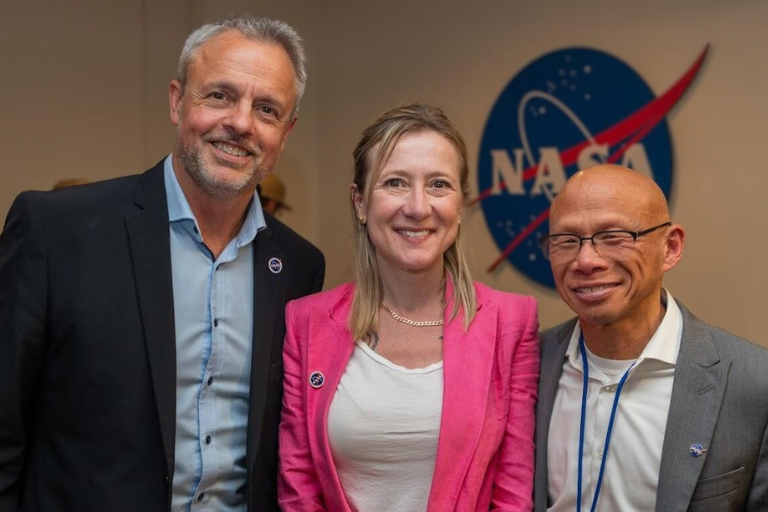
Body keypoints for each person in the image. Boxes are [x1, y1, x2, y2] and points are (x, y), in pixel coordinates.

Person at [0, 17, 324, 512]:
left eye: (266, 109)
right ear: (177, 101)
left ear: (286, 131)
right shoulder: (56, 231)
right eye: (219, 95)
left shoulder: (299, 267)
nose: (240, 122)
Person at [278, 104, 540, 512]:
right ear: (360, 202)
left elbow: (513, 490)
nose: (418, 207)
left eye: (438, 185)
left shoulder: (511, 321)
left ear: (460, 206)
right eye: (396, 183)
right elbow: (299, 487)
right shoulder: (306, 322)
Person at [533, 165, 768, 511]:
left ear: (670, 247)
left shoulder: (753, 382)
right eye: (567, 241)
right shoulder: (527, 365)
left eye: (613, 236)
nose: (585, 260)